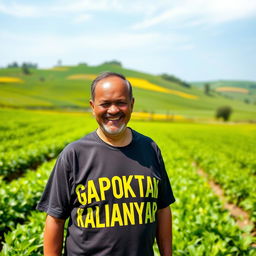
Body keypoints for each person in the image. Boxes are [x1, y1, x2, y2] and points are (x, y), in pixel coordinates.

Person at [37, 72, 175, 256]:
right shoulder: (74, 154)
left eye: (120, 102)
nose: (113, 110)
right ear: (93, 107)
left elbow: (163, 209)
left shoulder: (150, 148)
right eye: (105, 104)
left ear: (132, 105)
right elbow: (55, 219)